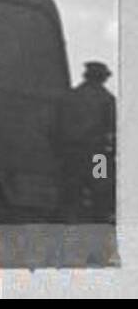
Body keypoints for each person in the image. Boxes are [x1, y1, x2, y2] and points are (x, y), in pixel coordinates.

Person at [55, 61, 116, 221]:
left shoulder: (70, 96)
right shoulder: (106, 99)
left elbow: (56, 125)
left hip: (71, 151)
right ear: (102, 78)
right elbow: (111, 127)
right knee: (100, 186)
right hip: (98, 153)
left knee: (71, 188)